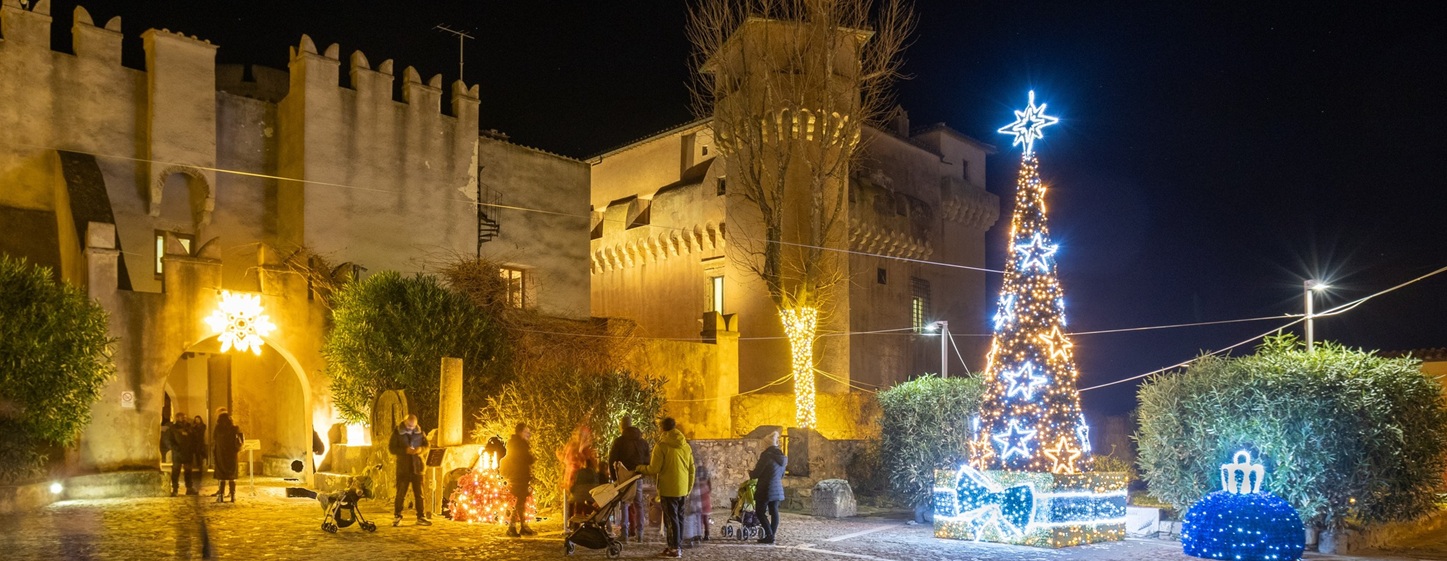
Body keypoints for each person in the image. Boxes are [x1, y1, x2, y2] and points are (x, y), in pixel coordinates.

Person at [631, 417, 694, 559]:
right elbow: (691, 469)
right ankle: (677, 545)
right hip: (683, 488)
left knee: (671, 519)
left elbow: (654, 468)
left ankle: (674, 548)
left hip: (668, 487)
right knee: (679, 517)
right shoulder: (685, 445)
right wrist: (688, 487)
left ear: (661, 428)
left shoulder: (661, 446)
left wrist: (639, 468)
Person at [608, 416, 651, 543]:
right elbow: (648, 460)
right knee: (639, 504)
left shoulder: (619, 442)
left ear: (622, 427)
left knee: (625, 503)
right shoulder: (642, 442)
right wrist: (642, 473)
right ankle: (640, 534)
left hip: (624, 477)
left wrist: (615, 478)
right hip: (638, 476)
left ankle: (625, 535)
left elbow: (612, 460)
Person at [388, 414, 431, 526]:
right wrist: (405, 450)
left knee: (419, 493)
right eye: (409, 426)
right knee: (401, 493)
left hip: (417, 467)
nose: (411, 428)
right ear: (405, 422)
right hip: (403, 468)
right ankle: (397, 516)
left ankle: (421, 516)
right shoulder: (397, 432)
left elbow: (427, 445)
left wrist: (420, 449)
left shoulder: (420, 432)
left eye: (413, 426)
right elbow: (392, 448)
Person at [750, 430, 787, 544]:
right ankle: (771, 535)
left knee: (760, 512)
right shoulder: (783, 458)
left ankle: (769, 535)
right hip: (777, 488)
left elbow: (756, 473)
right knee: (774, 511)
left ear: (766, 444)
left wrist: (750, 473)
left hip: (765, 488)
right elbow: (782, 475)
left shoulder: (766, 456)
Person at [500, 422, 537, 537]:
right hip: (519, 477)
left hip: (518, 476)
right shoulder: (520, 445)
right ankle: (512, 527)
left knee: (521, 501)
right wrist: (531, 457)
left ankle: (522, 526)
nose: (529, 435)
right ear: (520, 432)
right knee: (519, 502)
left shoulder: (515, 443)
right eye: (526, 432)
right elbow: (524, 459)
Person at [211, 411, 244, 503]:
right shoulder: (235, 428)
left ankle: (221, 496)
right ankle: (233, 496)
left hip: (221, 454)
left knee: (221, 475)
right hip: (232, 454)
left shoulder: (218, 429)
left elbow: (214, 439)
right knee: (231, 475)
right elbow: (240, 440)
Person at [163, 413, 190, 496]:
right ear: (178, 418)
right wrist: (175, 448)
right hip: (177, 453)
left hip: (187, 452)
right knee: (176, 471)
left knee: (188, 471)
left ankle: (189, 488)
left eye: (185, 417)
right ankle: (175, 489)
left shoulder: (189, 427)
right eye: (182, 417)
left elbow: (193, 438)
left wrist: (192, 448)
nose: (184, 418)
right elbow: (168, 440)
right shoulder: (173, 428)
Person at [187, 415, 207, 495]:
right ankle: (197, 464)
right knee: (196, 453)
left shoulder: (202, 426)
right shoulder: (193, 426)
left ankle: (200, 464)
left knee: (200, 453)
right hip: (195, 443)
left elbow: (200, 432)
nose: (197, 421)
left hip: (200, 442)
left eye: (198, 419)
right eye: (196, 419)